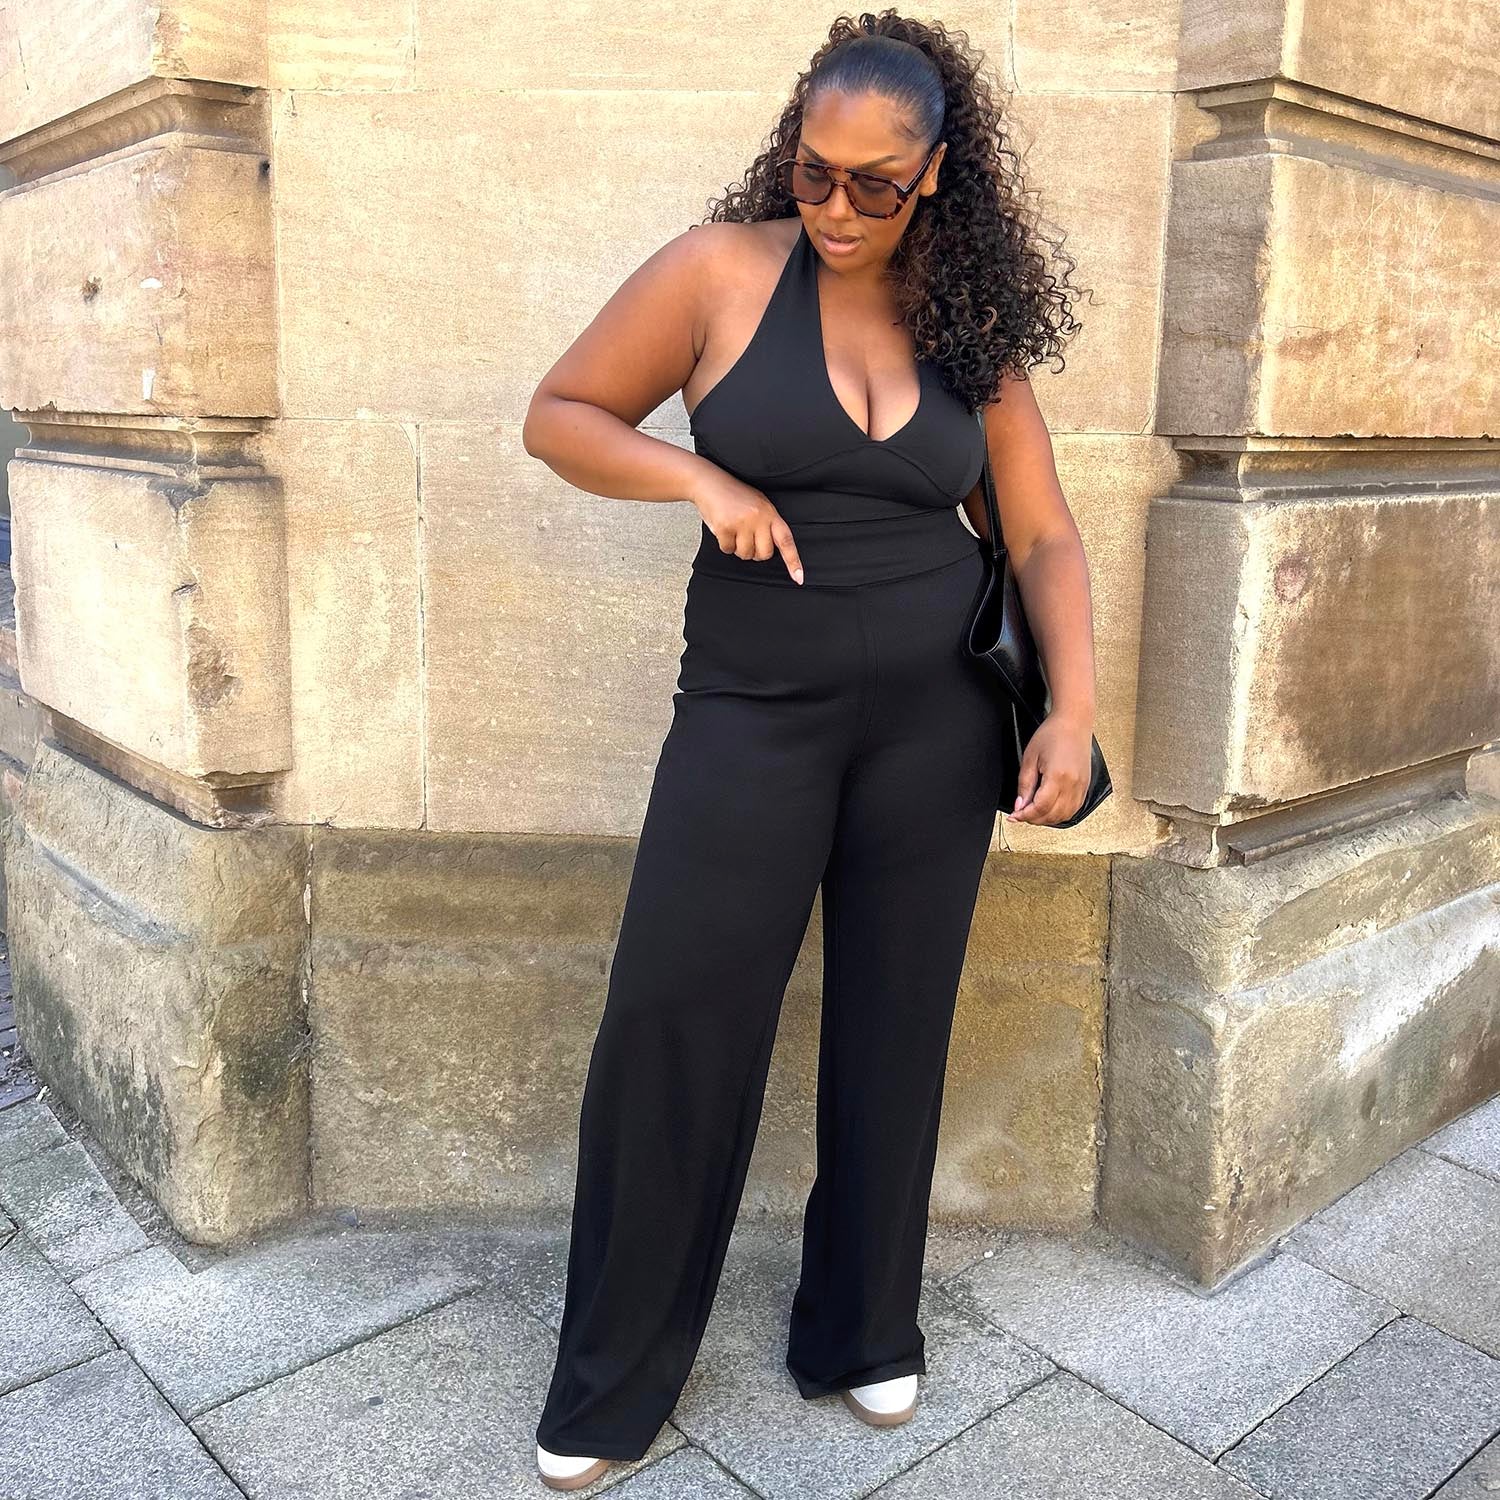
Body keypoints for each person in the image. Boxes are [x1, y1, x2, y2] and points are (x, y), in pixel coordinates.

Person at [520, 12, 1095, 1490]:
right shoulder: (718, 273)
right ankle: (610, 1381)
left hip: (938, 727)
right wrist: (697, 478)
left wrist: (1073, 711)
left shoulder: (967, 317)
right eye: (814, 171)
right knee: (674, 1016)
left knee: (899, 1024)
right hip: (753, 707)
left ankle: (860, 1328)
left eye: (875, 184)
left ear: (936, 173)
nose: (837, 207)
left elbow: (1039, 531)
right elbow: (560, 416)